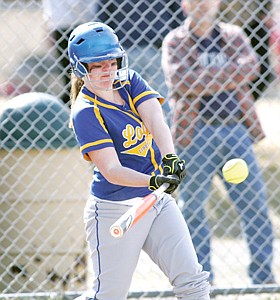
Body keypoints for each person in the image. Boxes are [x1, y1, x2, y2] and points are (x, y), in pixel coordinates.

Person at [68, 22, 211, 299]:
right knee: (109, 295)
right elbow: (111, 170)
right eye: (96, 65)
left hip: (156, 202)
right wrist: (154, 180)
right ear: (80, 68)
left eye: (111, 61)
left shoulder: (129, 81)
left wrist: (169, 158)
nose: (107, 70)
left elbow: (155, 119)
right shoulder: (85, 111)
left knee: (193, 282)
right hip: (114, 207)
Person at [162, 0, 275, 285]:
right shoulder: (175, 40)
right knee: (193, 209)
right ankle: (202, 281)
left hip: (236, 131)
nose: (202, 5)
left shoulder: (234, 35)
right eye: (195, 1)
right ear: (185, 5)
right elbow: (179, 81)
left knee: (255, 206)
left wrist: (202, 78)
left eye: (208, 0)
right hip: (195, 133)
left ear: (218, 4)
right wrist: (228, 77)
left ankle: (262, 278)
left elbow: (250, 68)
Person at [42, 0, 99, 105]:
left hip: (61, 25)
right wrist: (93, 21)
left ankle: (74, 100)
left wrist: (48, 27)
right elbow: (75, 4)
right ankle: (74, 102)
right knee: (76, 72)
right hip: (73, 25)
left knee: (71, 71)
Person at [220, 0, 275, 101]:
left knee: (263, 71)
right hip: (223, 21)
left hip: (251, 19)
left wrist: (265, 11)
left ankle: (244, 106)